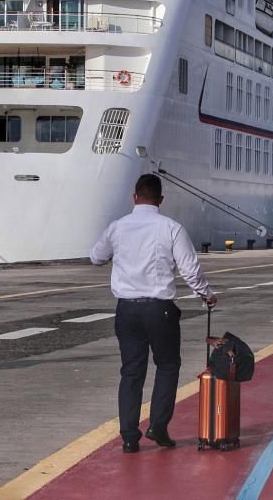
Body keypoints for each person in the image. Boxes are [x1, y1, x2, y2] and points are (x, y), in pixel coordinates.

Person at [90, 174, 217, 453]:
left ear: (135, 197)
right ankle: (158, 426)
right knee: (168, 366)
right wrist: (206, 295)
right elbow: (189, 268)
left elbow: (96, 257)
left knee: (132, 372)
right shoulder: (170, 227)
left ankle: (128, 437)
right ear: (160, 200)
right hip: (159, 309)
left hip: (126, 310)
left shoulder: (117, 227)